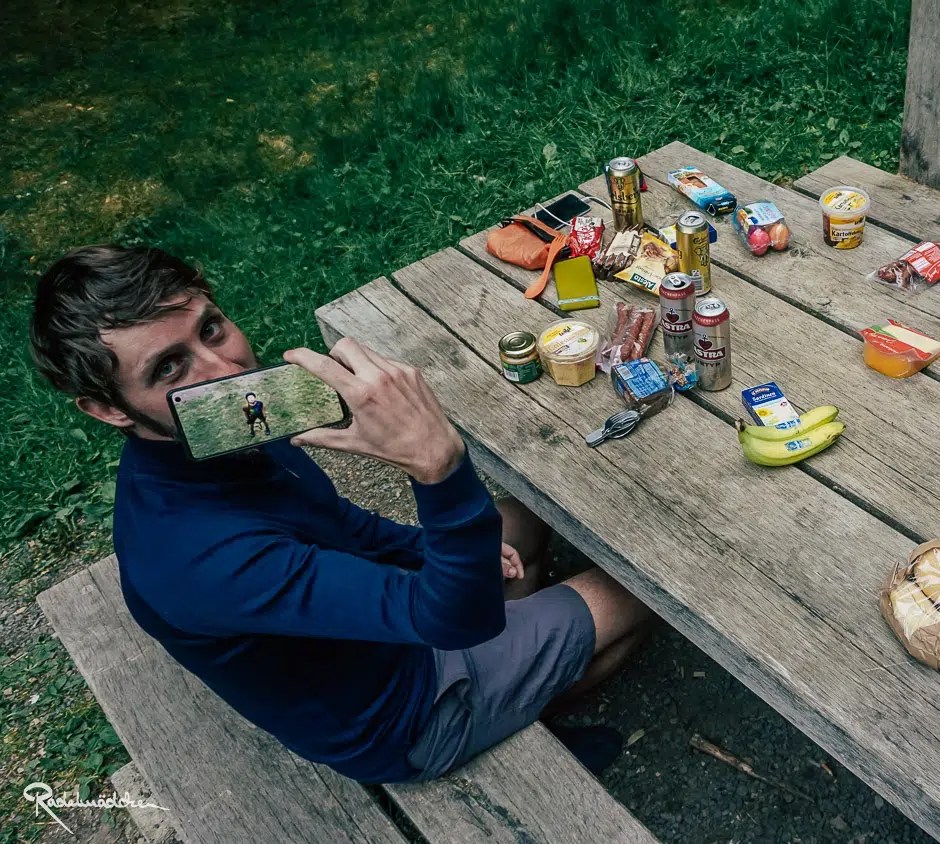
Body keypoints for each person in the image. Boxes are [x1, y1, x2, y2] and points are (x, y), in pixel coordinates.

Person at [29, 244, 654, 783]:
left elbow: (345, 527)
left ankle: (523, 678)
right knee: (641, 584)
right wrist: (437, 466)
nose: (226, 371)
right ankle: (511, 714)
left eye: (211, 329)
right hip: (404, 712)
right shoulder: (199, 556)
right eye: (169, 367)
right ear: (109, 409)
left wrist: (428, 548)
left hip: (387, 627)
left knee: (529, 510)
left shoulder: (224, 425)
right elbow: (451, 620)